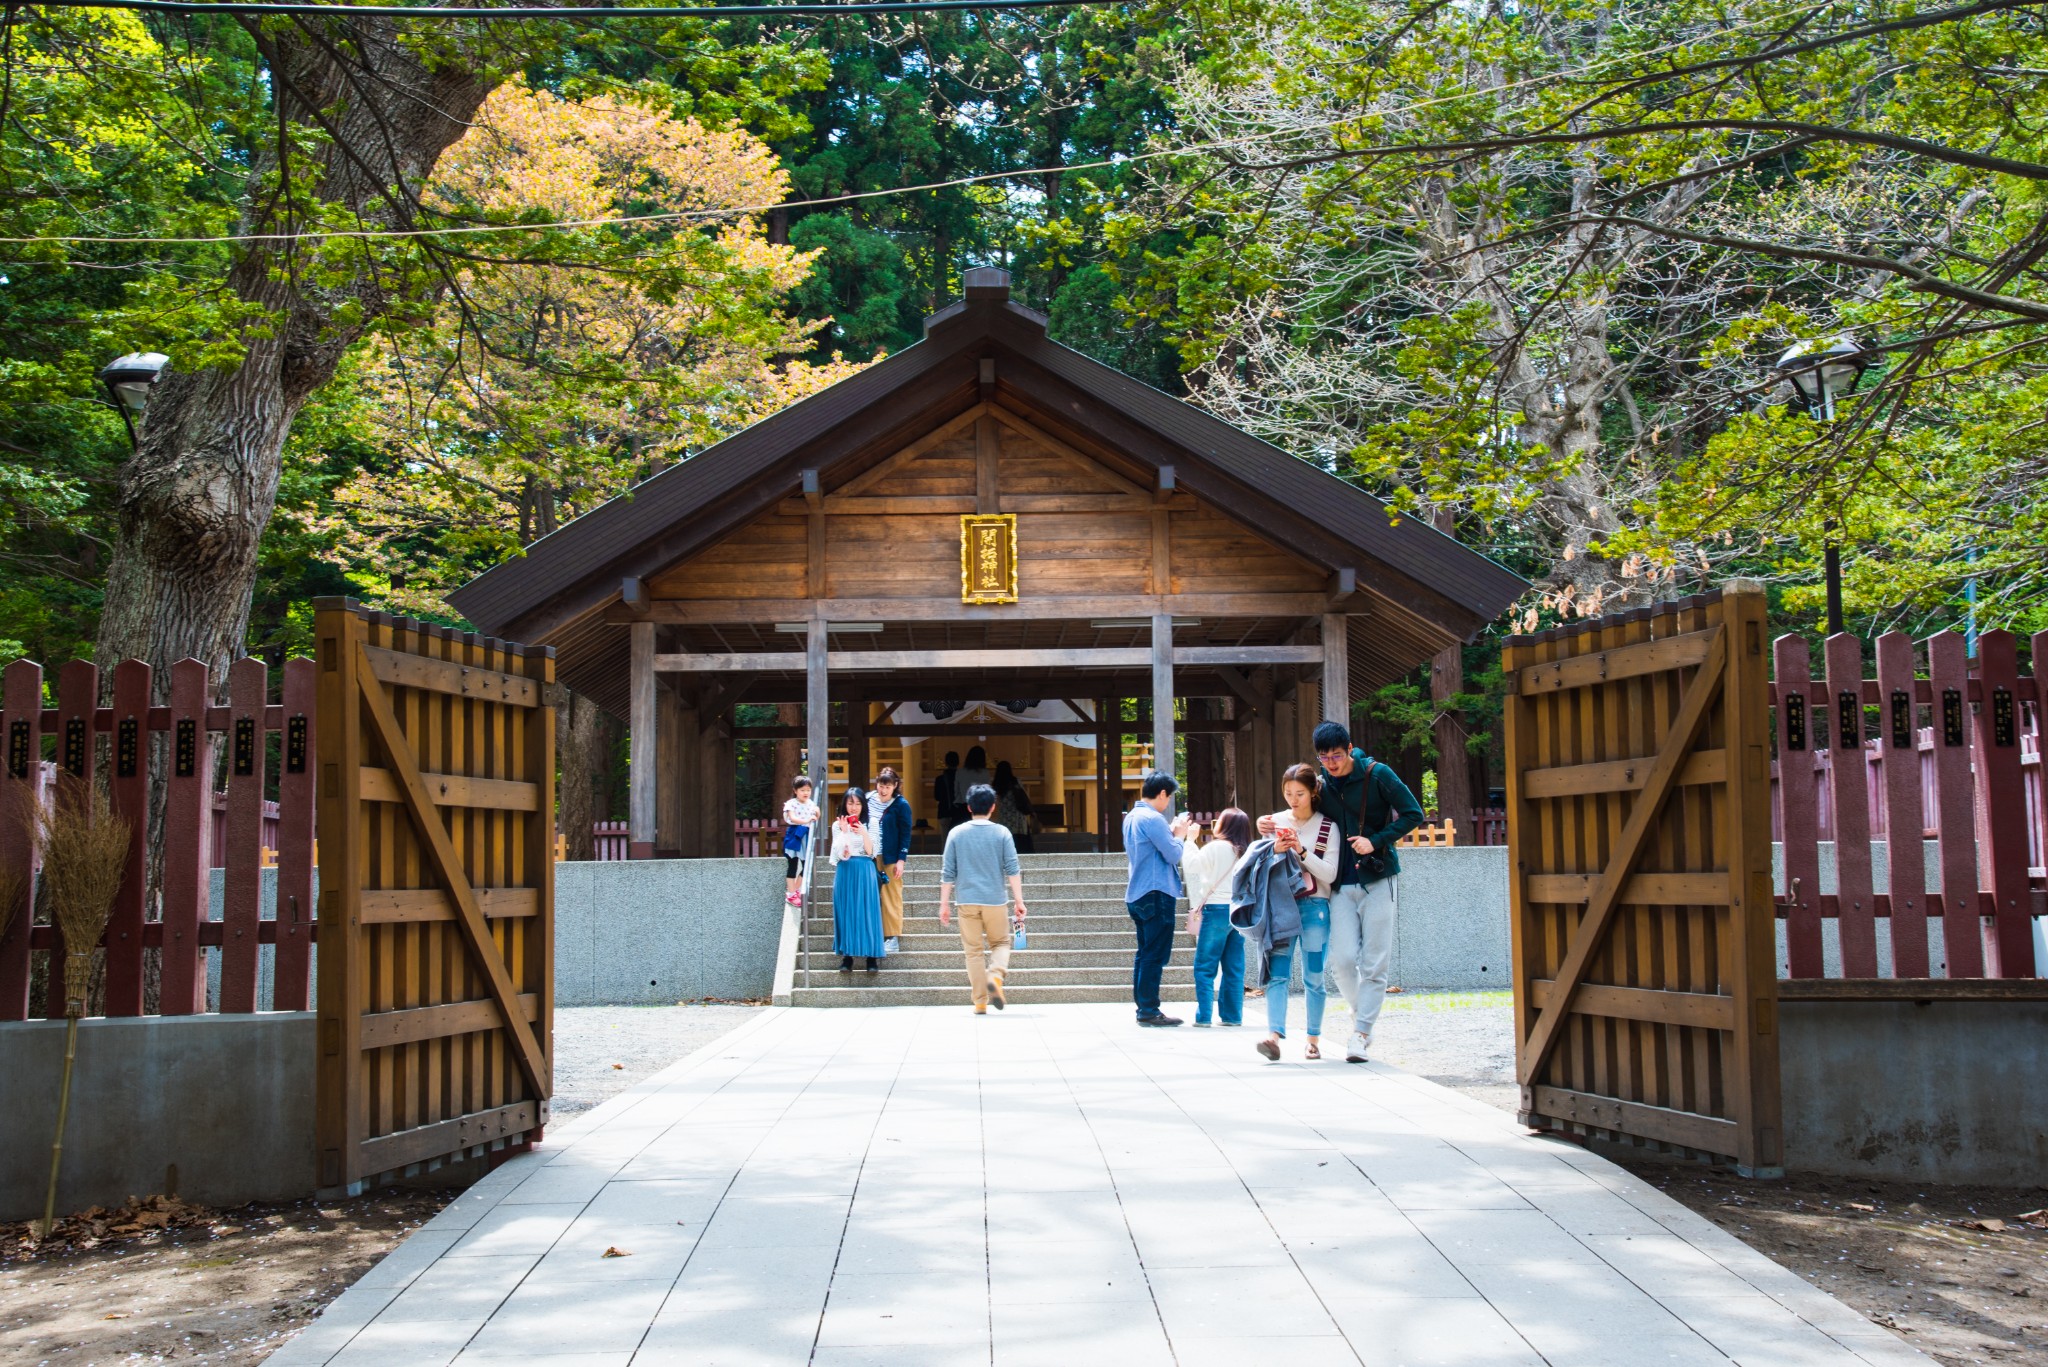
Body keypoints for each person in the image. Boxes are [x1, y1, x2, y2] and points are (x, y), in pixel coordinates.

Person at [1260, 722, 1424, 1062]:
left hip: (1377, 877)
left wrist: (1376, 840)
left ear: (1350, 748)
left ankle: (1361, 1034)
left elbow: (1413, 813)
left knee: (1374, 961)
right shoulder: (1322, 786)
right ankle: (1359, 1012)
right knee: (1342, 961)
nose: (1331, 763)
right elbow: (1297, 809)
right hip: (1337, 885)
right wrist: (1266, 822)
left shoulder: (1378, 774)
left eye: (1336, 755)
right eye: (1324, 757)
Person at [1258, 765, 1339, 1061]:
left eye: (1300, 793)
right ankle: (1273, 1036)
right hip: (1281, 905)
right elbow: (1261, 865)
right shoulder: (1273, 822)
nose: (1293, 799)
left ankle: (1313, 1038)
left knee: (1314, 976)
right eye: (1288, 793)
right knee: (1277, 974)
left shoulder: (1328, 826)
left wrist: (1302, 851)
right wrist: (1276, 850)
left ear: (1313, 791)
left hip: (1315, 905)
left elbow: (1329, 874)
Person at [938, 784, 1028, 1015]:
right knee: (1001, 943)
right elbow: (1012, 868)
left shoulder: (956, 833)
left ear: (968, 807)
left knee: (973, 951)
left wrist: (944, 904)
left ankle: (980, 1001)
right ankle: (995, 976)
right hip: (995, 900)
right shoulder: (1002, 833)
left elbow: (948, 872)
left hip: (966, 900)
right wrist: (1019, 901)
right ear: (993, 807)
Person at [1122, 770, 1198, 1027]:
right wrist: (1180, 834)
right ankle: (1148, 1009)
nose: (1168, 803)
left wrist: (1172, 832)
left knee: (1144, 953)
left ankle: (1144, 1006)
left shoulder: (1132, 817)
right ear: (1163, 793)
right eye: (1169, 797)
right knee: (1154, 954)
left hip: (1138, 892)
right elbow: (1173, 855)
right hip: (1156, 892)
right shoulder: (1153, 819)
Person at [1182, 809, 1250, 1028]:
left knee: (1205, 965)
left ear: (1225, 825)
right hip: (1239, 912)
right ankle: (1232, 1016)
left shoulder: (1215, 847)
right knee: (1234, 967)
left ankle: (1204, 1016)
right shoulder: (1246, 851)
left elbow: (1191, 866)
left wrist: (1190, 841)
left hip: (1216, 909)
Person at [830, 787, 884, 973]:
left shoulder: (872, 822)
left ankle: (872, 958)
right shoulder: (837, 825)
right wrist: (845, 833)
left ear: (864, 805)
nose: (854, 807)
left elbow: (872, 852)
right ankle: (847, 957)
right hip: (845, 869)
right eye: (850, 803)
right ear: (845, 804)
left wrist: (863, 833)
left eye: (858, 803)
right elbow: (840, 854)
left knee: (868, 911)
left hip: (865, 869)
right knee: (847, 911)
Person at [867, 767, 913, 954]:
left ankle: (892, 937)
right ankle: (871, 934)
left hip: (891, 856)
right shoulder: (868, 800)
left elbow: (905, 833)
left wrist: (901, 859)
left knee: (891, 895)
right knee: (870, 894)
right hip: (868, 854)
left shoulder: (901, 805)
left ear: (895, 786)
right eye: (880, 785)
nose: (883, 789)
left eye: (887, 786)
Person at [781, 775, 820, 907]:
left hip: (806, 835)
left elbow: (817, 815)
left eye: (808, 790)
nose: (806, 793)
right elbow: (792, 817)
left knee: (806, 865)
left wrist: (817, 812)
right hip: (794, 834)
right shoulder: (791, 803)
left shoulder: (811, 804)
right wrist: (807, 821)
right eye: (802, 790)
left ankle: (795, 890)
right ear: (795, 791)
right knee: (792, 865)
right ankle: (791, 894)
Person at [992, 760, 1037, 854]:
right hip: (1017, 817)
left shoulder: (996, 784)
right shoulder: (1015, 781)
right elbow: (1024, 797)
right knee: (1020, 843)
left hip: (1004, 817)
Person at [934, 751, 965, 833]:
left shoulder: (940, 779)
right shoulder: (962, 778)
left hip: (944, 812)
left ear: (946, 763)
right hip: (960, 813)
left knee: (945, 841)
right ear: (958, 762)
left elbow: (937, 796)